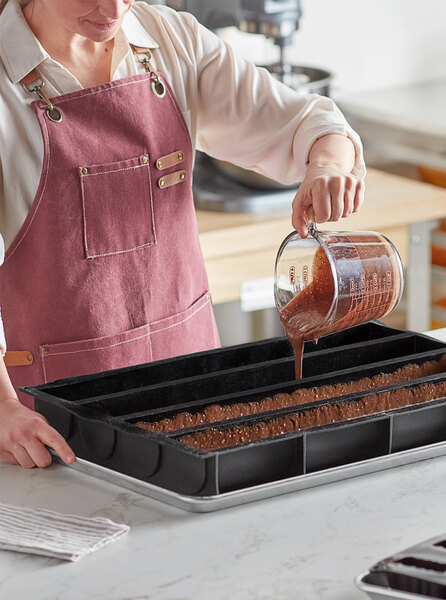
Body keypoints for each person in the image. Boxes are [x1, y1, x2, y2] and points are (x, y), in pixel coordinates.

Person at [0, 0, 366, 468]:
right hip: (50, 435)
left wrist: (327, 167)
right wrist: (3, 407)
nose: (112, 7)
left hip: (192, 409)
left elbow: (306, 121)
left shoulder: (170, 40)